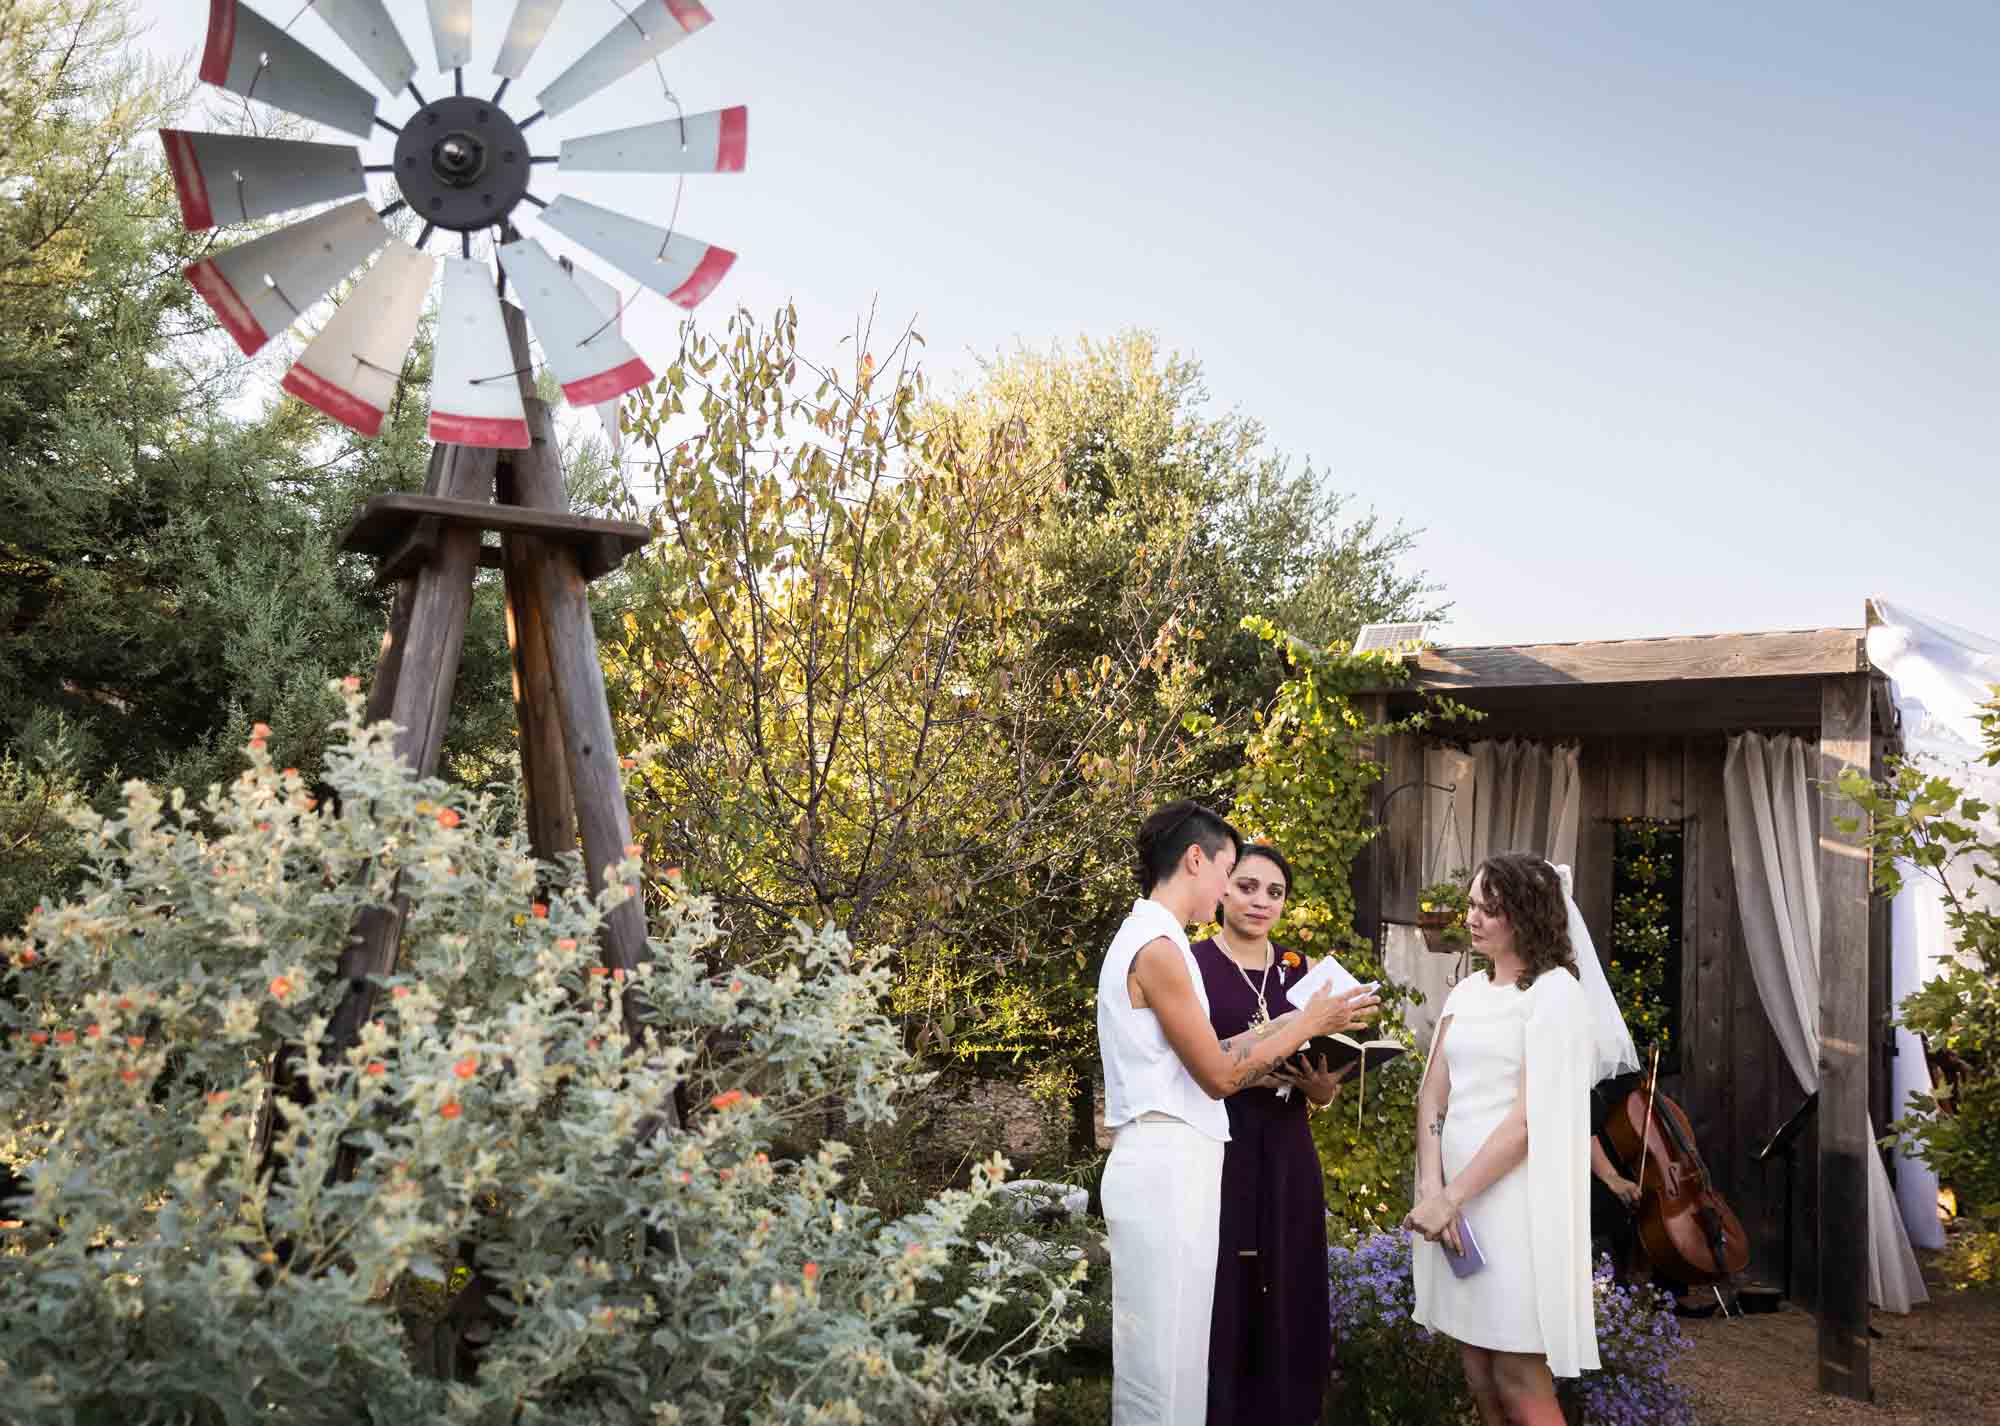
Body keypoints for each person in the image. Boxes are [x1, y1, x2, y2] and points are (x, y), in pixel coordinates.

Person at [1098, 802, 1379, 1426]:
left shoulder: (1158, 938)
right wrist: (1307, 1021)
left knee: (1180, 1363)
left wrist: (1298, 1025)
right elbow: (1221, 1076)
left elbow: (1216, 1052)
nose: (1230, 889)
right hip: (1164, 1162)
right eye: (1228, 872)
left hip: (1181, 1160)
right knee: (1161, 1373)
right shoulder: (1161, 948)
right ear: (1196, 860)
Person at [1405, 854, 1638, 1426]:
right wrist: (1434, 1191)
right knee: (1479, 1372)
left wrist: (1451, 1197)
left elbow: (1529, 1121)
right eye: (1472, 904)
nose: (1475, 918)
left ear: (1528, 916)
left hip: (1513, 1205)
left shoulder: (1556, 994)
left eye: (1493, 907)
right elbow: (1432, 1097)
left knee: (1519, 1377)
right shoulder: (1465, 994)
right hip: (1455, 1206)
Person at [1189, 842, 1353, 1426]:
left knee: (1289, 1284)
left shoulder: (1300, 971)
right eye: (1248, 886)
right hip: (1222, 1146)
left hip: (1288, 1150)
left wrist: (1320, 1088)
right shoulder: (1193, 965)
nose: (1261, 901)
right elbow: (1195, 1066)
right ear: (1223, 890)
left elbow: (1325, 1085)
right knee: (1226, 1287)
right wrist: (1250, 1072)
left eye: (1274, 892)